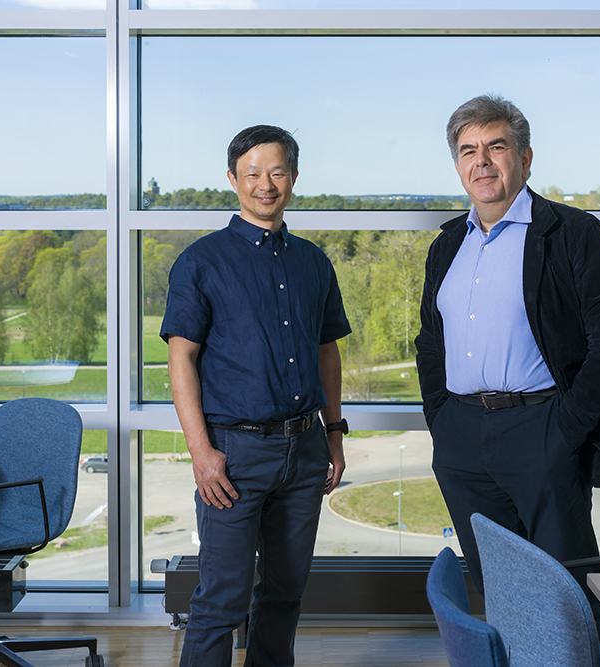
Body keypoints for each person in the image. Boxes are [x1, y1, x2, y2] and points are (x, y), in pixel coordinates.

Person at [414, 94, 600, 632]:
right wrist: (442, 421)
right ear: (457, 164)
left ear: (524, 158)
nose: (482, 161)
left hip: (543, 429)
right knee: (499, 589)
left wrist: (565, 429)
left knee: (568, 592)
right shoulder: (448, 244)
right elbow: (431, 342)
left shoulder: (571, 232)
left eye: (496, 146)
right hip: (462, 438)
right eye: (468, 150)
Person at [161, 124, 351, 667]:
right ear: (232, 180)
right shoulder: (202, 262)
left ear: (293, 176)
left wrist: (333, 436)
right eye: (252, 173)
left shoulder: (314, 262)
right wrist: (202, 454)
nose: (265, 184)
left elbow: (327, 353)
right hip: (233, 455)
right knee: (221, 600)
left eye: (276, 171)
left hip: (305, 449)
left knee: (285, 594)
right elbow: (181, 360)